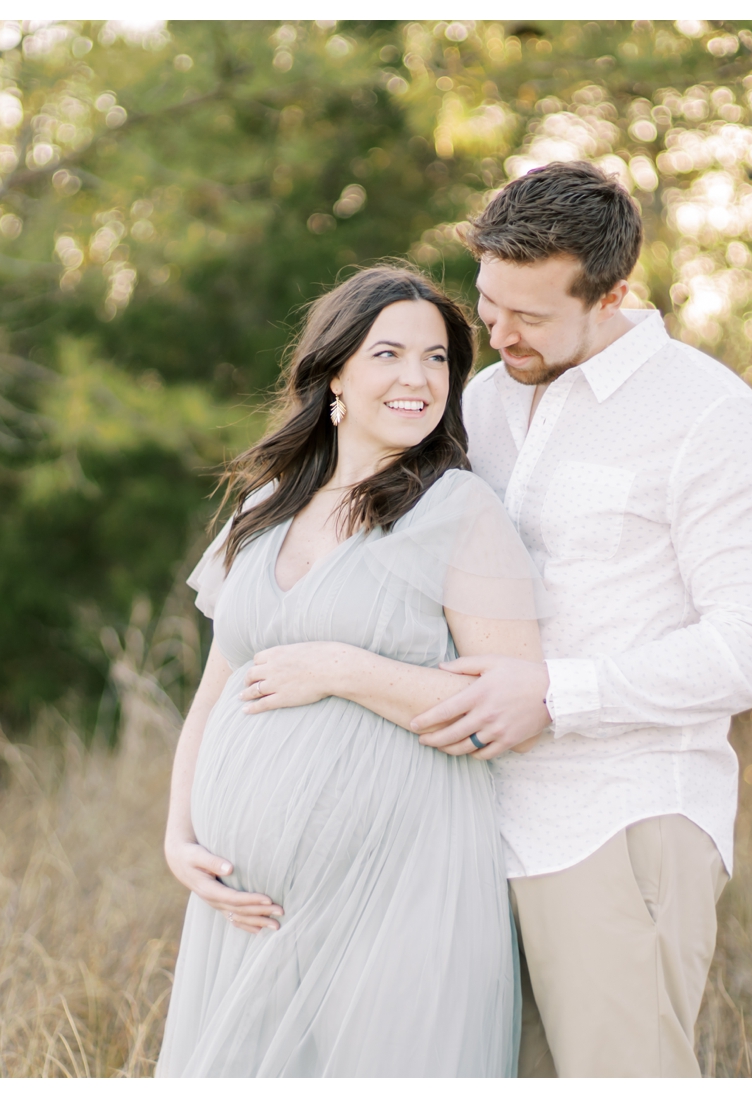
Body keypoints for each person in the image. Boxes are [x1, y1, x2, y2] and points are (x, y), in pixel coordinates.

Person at [243, 161, 752, 1077]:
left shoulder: (708, 417)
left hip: (617, 821)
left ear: (614, 294)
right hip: (459, 830)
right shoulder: (478, 403)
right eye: (487, 304)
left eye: (530, 316)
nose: (499, 333)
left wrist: (559, 694)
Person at [154, 265, 549, 1077]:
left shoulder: (459, 511)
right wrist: (178, 834)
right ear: (333, 372)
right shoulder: (264, 507)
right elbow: (215, 694)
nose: (418, 379)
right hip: (251, 903)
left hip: (398, 884)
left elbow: (505, 711)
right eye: (390, 354)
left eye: (438, 359)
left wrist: (343, 668)